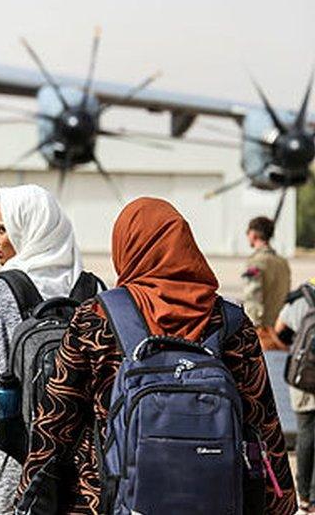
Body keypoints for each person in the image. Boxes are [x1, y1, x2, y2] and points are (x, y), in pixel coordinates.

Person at [18, 197, 296, 514]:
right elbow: (264, 427)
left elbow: (55, 424)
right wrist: (281, 505)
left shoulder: (96, 318)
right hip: (216, 499)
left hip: (105, 500)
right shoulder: (231, 323)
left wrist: (29, 499)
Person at [0, 184, 86, 515]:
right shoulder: (91, 288)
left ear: (27, 228)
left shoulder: (1, 291)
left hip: (16, 446)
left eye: (1, 228)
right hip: (80, 449)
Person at [275, 279, 315, 512]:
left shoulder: (302, 298)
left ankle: (305, 497)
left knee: (306, 434)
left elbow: (279, 329)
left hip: (305, 379)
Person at [243, 216, 291, 350]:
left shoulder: (255, 262)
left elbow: (253, 298)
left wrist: (250, 329)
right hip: (281, 331)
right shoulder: (283, 262)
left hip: (262, 333)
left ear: (253, 234)